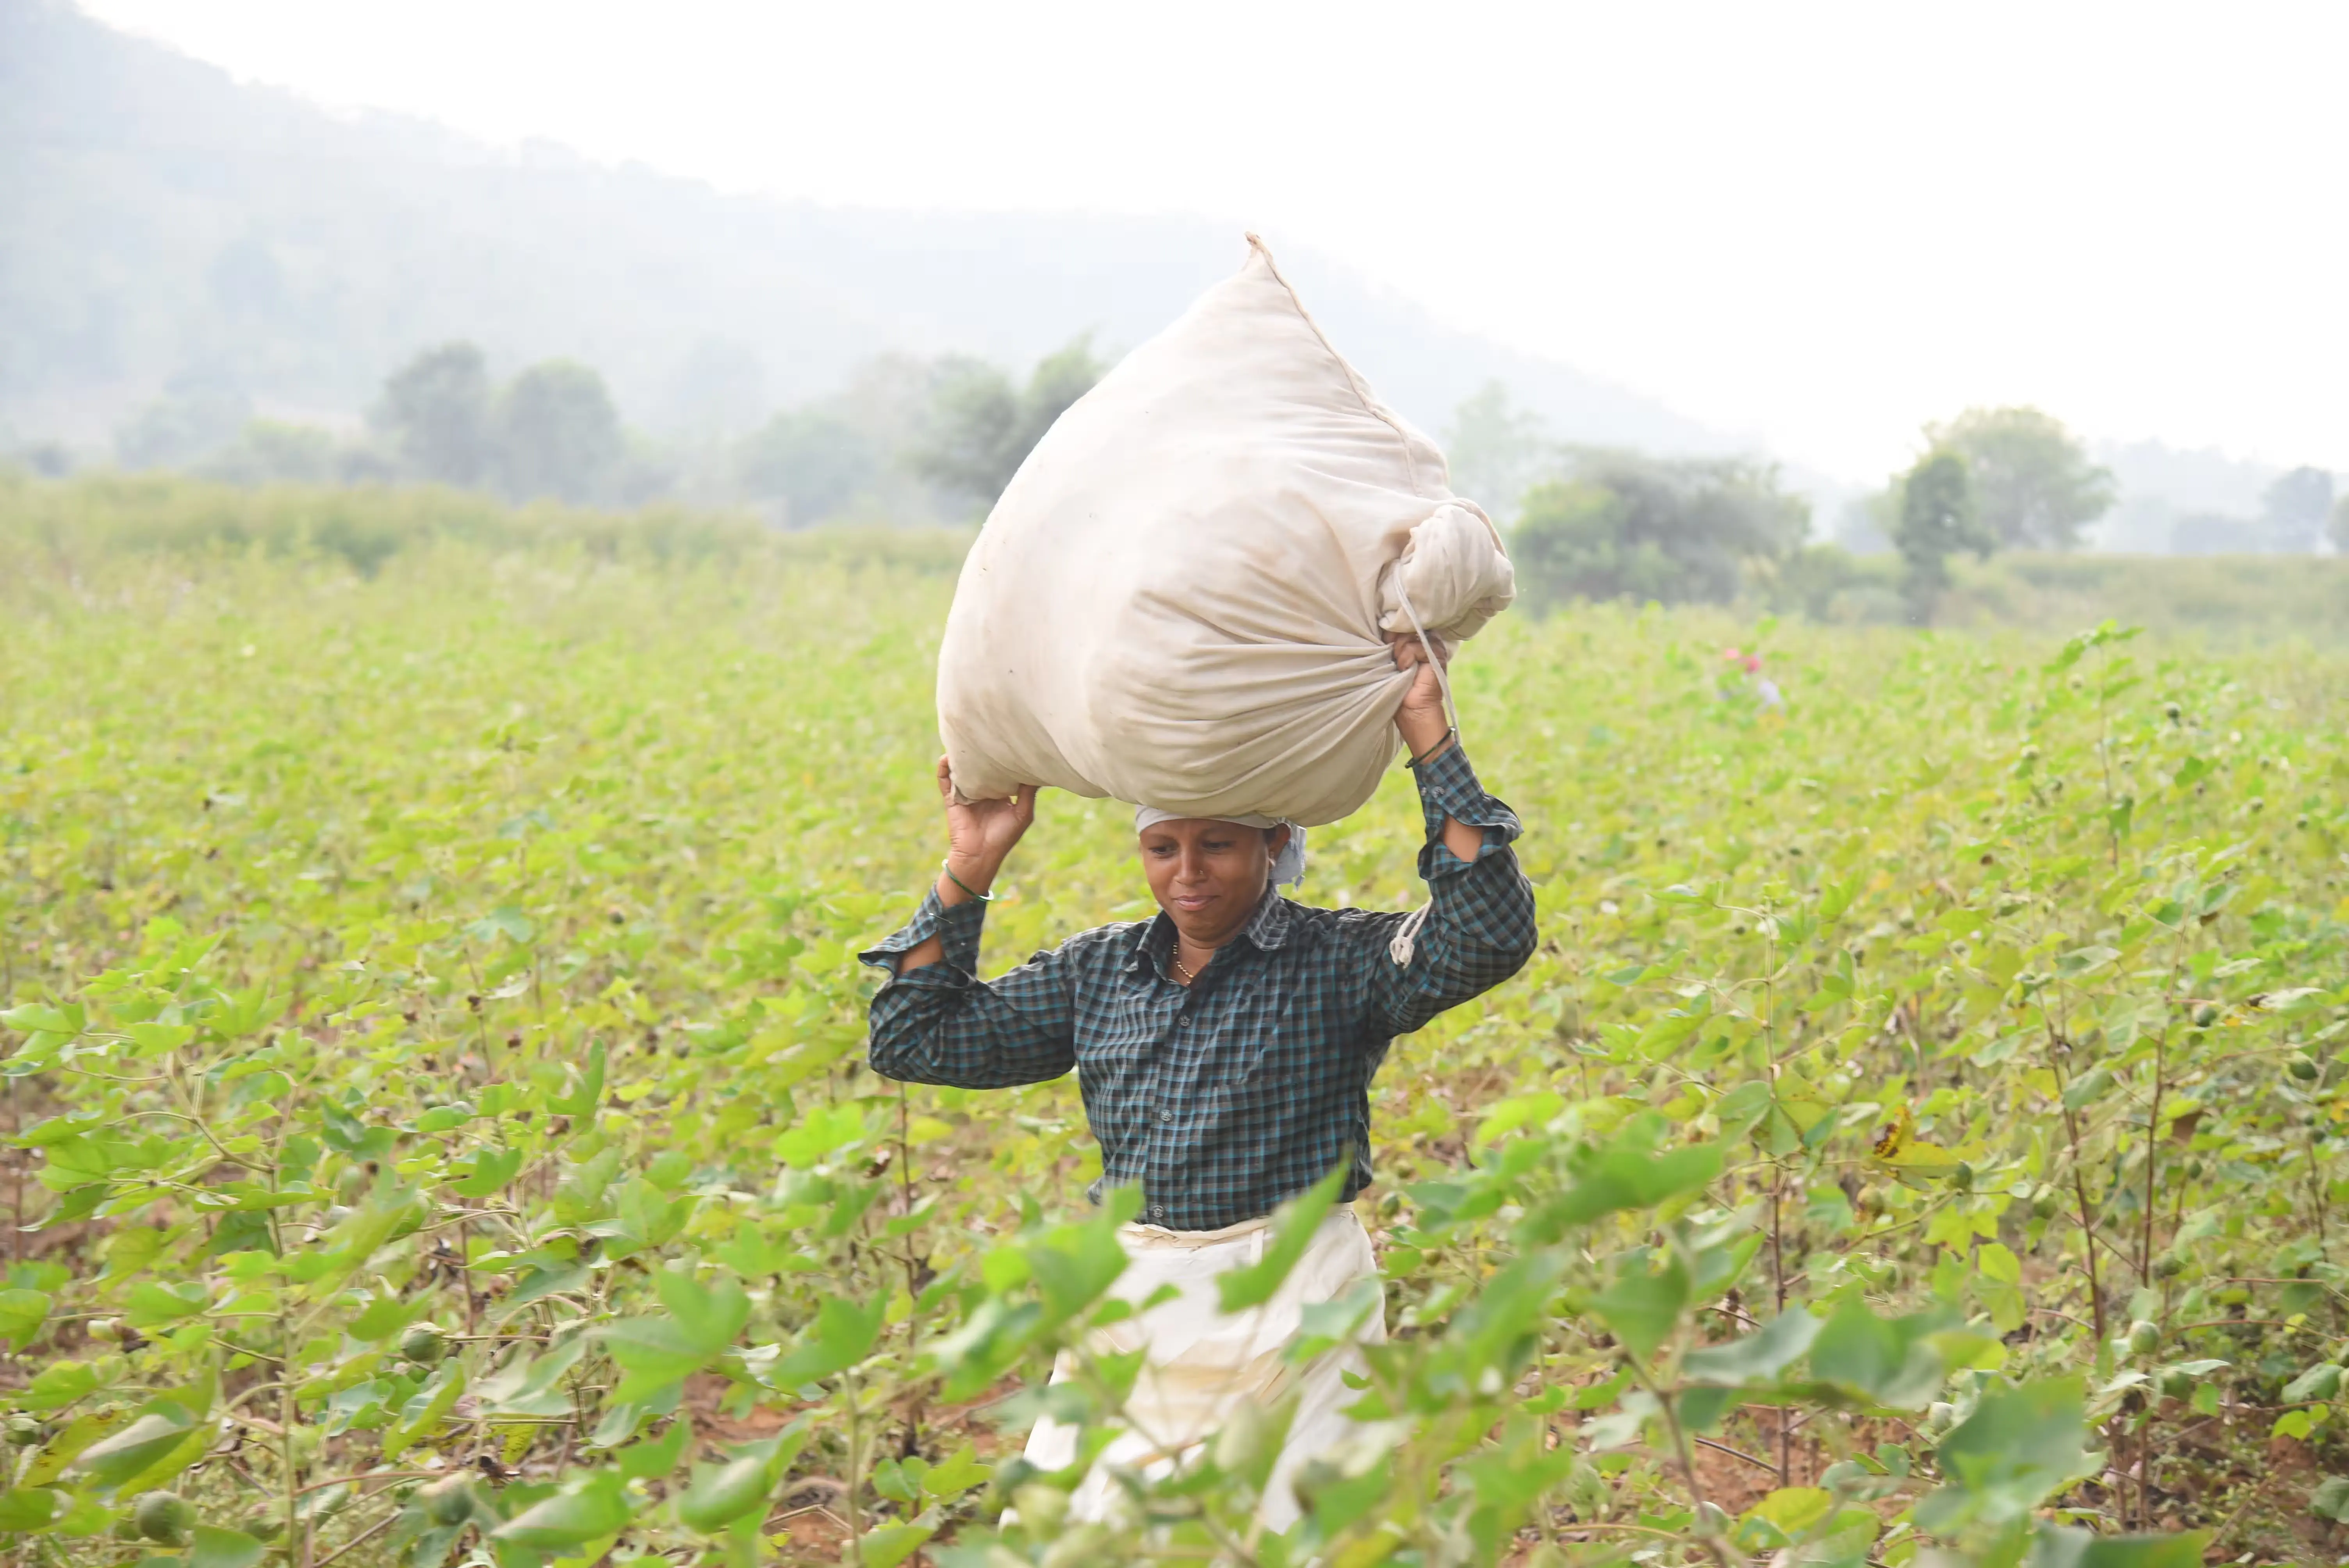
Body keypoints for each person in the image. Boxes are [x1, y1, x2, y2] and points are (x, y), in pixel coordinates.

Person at [858, 636, 1536, 1531]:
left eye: (1216, 844)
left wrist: (1429, 739)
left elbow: (1484, 936)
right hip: (1134, 1296)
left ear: (1275, 843)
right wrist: (971, 861)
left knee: (1282, 1536)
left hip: (1295, 1294)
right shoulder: (1096, 970)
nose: (1186, 873)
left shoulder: (1338, 961)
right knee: (1084, 1538)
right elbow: (913, 1038)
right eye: (1162, 847)